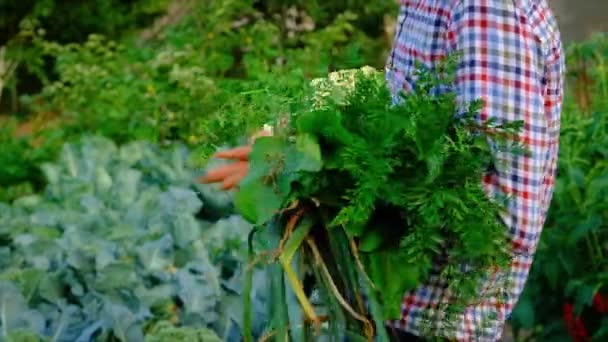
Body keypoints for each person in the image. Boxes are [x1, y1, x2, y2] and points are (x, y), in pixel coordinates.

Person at [201, 0, 565, 340]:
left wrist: (320, 178)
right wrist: (295, 158)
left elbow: (502, 217)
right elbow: (397, 131)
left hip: (435, 325)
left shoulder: (484, 8)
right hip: (385, 313)